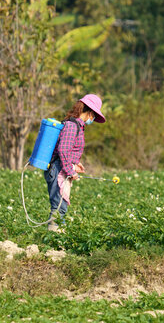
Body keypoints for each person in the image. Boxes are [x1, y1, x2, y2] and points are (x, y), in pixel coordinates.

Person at [45, 94, 106, 232]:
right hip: (58, 170)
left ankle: (57, 237)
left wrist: (75, 163)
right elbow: (63, 150)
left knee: (60, 206)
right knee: (59, 206)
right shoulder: (72, 126)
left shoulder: (77, 126)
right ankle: (53, 241)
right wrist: (70, 170)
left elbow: (68, 150)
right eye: (94, 116)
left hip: (61, 168)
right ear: (90, 112)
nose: (93, 119)